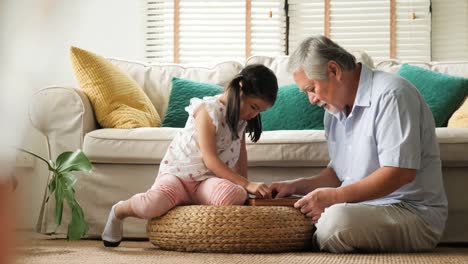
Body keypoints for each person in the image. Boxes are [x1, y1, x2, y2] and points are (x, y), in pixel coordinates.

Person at [270, 35, 448, 253]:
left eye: (311, 88)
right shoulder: (333, 111)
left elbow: (400, 172)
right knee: (306, 214)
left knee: (336, 221)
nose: (312, 99)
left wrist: (334, 197)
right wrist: (295, 186)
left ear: (334, 71)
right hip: (362, 209)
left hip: (411, 213)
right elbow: (339, 174)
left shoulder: (392, 94)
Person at [102, 64, 278, 247]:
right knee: (150, 206)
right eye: (253, 107)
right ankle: (119, 211)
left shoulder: (241, 119)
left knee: (234, 195)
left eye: (259, 111)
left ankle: (190, 206)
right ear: (241, 87)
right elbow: (210, 159)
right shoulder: (207, 110)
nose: (253, 115)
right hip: (179, 177)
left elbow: (241, 155)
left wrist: (245, 188)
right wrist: (248, 184)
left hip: (207, 182)